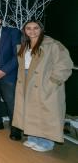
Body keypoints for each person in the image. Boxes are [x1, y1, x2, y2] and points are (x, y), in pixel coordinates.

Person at [13, 21, 73, 152]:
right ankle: (33, 137)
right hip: (27, 80)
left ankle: (46, 142)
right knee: (30, 110)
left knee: (45, 112)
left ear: (41, 29)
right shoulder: (24, 45)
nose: (32, 31)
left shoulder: (53, 45)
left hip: (44, 82)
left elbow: (65, 65)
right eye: (28, 28)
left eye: (36, 28)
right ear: (24, 31)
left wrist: (53, 82)